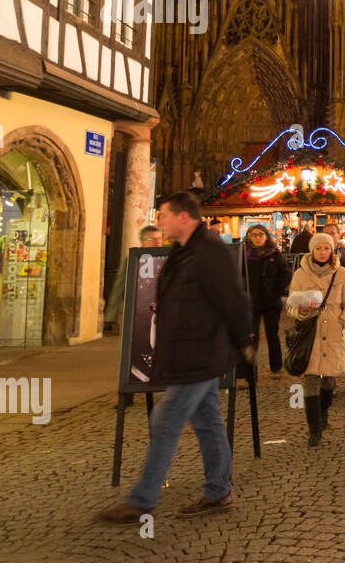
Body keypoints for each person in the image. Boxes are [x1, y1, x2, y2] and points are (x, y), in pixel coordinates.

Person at [98, 192, 251, 523]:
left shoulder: (209, 251)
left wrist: (245, 342)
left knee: (165, 422)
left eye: (165, 214)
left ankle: (142, 500)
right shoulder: (186, 250)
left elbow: (232, 300)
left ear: (184, 217)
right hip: (189, 352)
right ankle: (218, 491)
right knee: (208, 424)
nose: (160, 220)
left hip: (200, 354)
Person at [283, 232, 345, 446]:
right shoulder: (300, 274)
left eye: (326, 248)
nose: (322, 252)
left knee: (328, 381)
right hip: (311, 334)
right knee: (311, 380)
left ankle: (324, 412)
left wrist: (344, 319)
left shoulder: (341, 273)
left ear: (332, 250)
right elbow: (290, 305)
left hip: (334, 332)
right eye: (318, 248)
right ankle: (314, 430)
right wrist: (301, 311)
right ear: (312, 250)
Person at [243, 224, 290, 378]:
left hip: (271, 302)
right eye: (254, 234)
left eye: (260, 234)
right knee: (251, 336)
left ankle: (276, 368)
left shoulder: (275, 254)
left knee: (272, 335)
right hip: (251, 302)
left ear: (266, 236)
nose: (257, 237)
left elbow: (284, 275)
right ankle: (249, 373)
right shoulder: (245, 255)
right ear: (249, 237)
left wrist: (276, 292)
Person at [104, 224, 164, 331]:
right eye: (153, 239)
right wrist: (110, 315)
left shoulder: (164, 259)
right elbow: (119, 286)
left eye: (159, 238)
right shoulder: (133, 260)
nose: (158, 242)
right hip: (136, 311)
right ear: (143, 241)